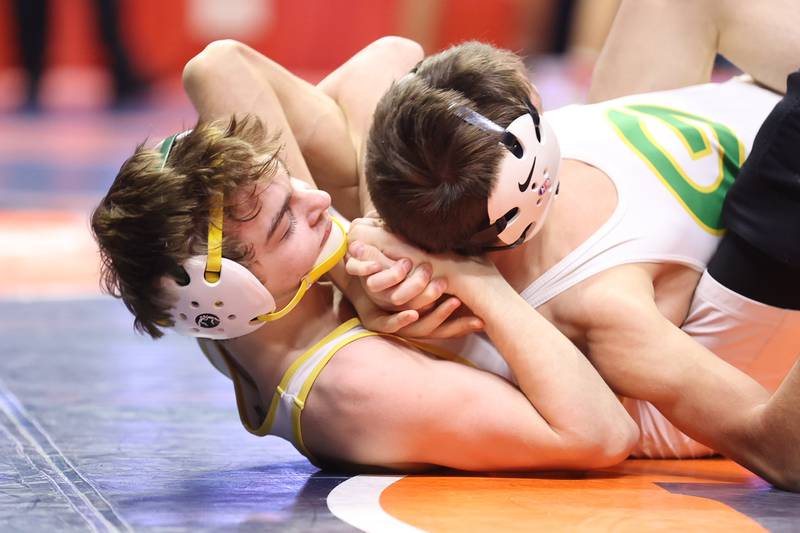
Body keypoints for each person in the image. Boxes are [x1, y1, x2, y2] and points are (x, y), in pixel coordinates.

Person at [91, 37, 638, 473]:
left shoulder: (262, 301)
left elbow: (223, 65)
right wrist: (471, 279)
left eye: (291, 184)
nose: (321, 200)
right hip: (643, 273)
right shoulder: (354, 386)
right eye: (286, 224)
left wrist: (374, 239)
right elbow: (600, 435)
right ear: (232, 292)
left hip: (596, 185)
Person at [347, 0, 800, 489]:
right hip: (774, 187)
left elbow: (386, 57)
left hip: (752, 133)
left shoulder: (475, 179)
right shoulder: (607, 307)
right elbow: (779, 451)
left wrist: (371, 226)